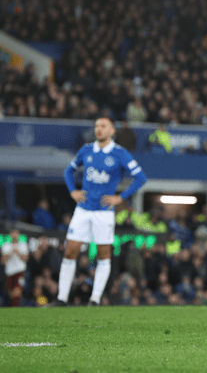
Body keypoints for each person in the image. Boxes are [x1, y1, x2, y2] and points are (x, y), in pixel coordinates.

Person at [50, 116, 148, 307]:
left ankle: (95, 299)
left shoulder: (120, 153)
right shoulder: (86, 150)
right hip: (83, 209)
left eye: (103, 126)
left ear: (112, 131)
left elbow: (141, 177)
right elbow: (68, 171)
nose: (98, 129)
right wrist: (73, 191)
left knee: (104, 254)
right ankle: (62, 298)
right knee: (70, 251)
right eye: (96, 126)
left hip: (104, 212)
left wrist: (120, 197)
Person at [1, 229, 29, 306]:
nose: (14, 235)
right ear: (10, 234)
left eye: (16, 233)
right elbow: (3, 261)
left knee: (18, 291)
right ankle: (14, 307)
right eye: (13, 233)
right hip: (9, 272)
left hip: (20, 271)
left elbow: (26, 259)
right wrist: (10, 252)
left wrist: (17, 252)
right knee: (10, 293)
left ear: (19, 234)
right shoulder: (5, 245)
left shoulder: (23, 245)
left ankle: (16, 308)